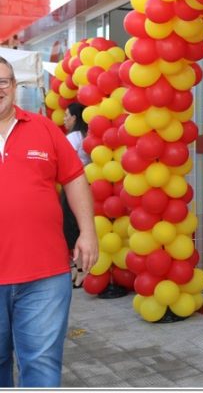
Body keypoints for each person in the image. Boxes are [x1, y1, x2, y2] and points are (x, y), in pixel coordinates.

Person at [0, 57, 98, 388]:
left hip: (44, 275)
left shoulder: (43, 128)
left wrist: (87, 232)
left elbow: (74, 178)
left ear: (14, 86)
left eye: (3, 81)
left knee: (41, 365)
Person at [62, 102, 90, 288]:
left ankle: (80, 271)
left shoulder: (73, 137)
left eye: (66, 116)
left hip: (72, 187)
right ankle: (78, 269)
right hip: (86, 186)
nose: (64, 120)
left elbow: (65, 162)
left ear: (74, 118)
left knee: (72, 228)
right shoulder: (84, 135)